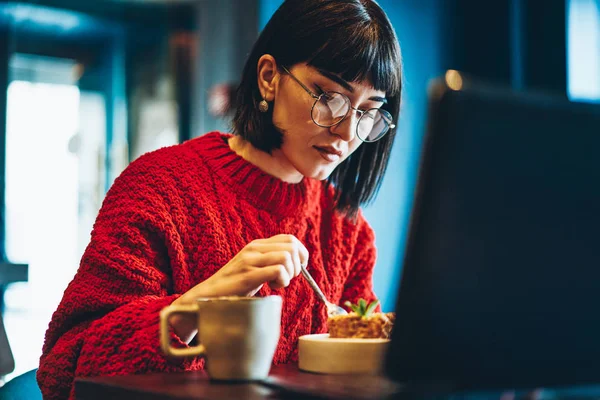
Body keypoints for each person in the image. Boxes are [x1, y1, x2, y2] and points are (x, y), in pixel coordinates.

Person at [36, 0, 402, 398]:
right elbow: (64, 370)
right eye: (330, 97)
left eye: (368, 111)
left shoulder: (346, 229)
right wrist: (204, 300)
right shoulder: (160, 189)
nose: (348, 132)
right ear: (268, 78)